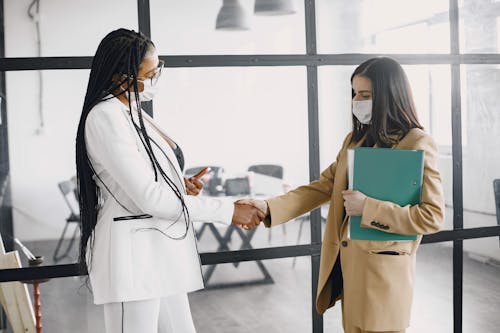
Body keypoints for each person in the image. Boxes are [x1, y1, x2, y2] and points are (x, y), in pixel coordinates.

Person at [75, 28, 264, 333]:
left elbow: (144, 177)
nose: (155, 79)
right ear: (120, 76)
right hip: (134, 260)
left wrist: (178, 182)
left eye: (157, 69)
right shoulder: (105, 116)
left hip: (160, 252)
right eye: (150, 73)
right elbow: (148, 197)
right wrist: (227, 211)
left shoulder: (132, 111)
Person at [240, 57, 445, 333]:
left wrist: (368, 208)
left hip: (385, 277)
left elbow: (431, 217)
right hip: (351, 271)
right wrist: (268, 207)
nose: (356, 101)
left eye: (365, 94)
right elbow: (323, 187)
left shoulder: (417, 143)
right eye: (354, 94)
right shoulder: (355, 140)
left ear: (388, 95)